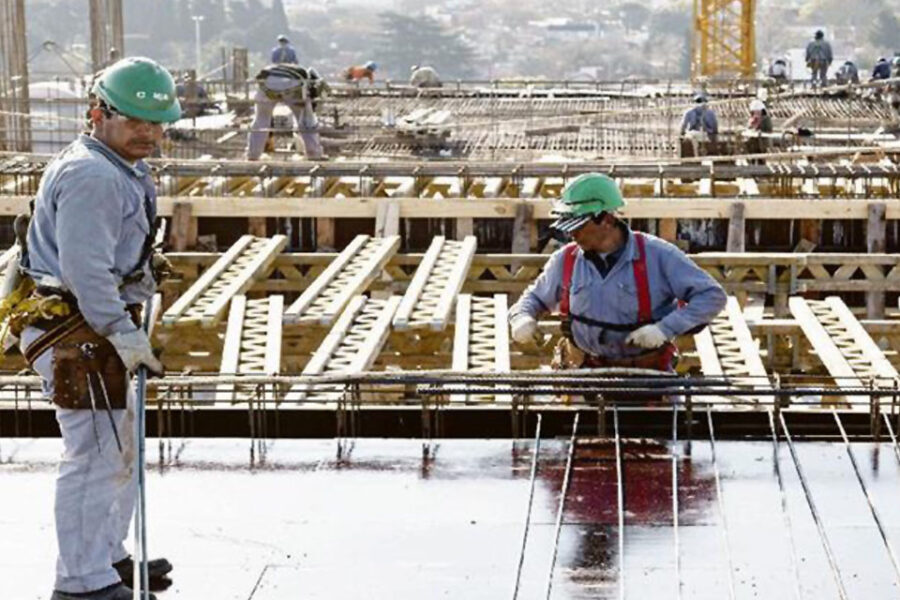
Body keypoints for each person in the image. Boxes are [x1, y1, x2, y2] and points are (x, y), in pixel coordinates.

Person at [13, 57, 176, 600]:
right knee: (93, 455)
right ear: (97, 114)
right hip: (78, 329)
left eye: (156, 124)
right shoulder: (92, 176)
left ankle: (106, 557)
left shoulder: (119, 166)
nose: (149, 134)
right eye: (135, 122)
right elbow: (85, 270)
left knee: (118, 446)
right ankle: (81, 582)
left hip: (93, 324)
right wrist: (122, 332)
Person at [508, 174, 726, 372]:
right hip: (581, 369)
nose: (572, 233)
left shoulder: (658, 256)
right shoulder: (566, 259)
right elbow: (534, 298)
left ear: (607, 219)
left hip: (645, 374)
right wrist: (522, 317)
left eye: (578, 225)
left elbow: (711, 296)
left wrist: (665, 329)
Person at [246, 63, 324, 160]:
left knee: (261, 120)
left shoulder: (292, 68)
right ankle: (313, 154)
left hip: (266, 84)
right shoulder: (305, 77)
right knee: (305, 120)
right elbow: (311, 101)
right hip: (292, 85)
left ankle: (253, 155)